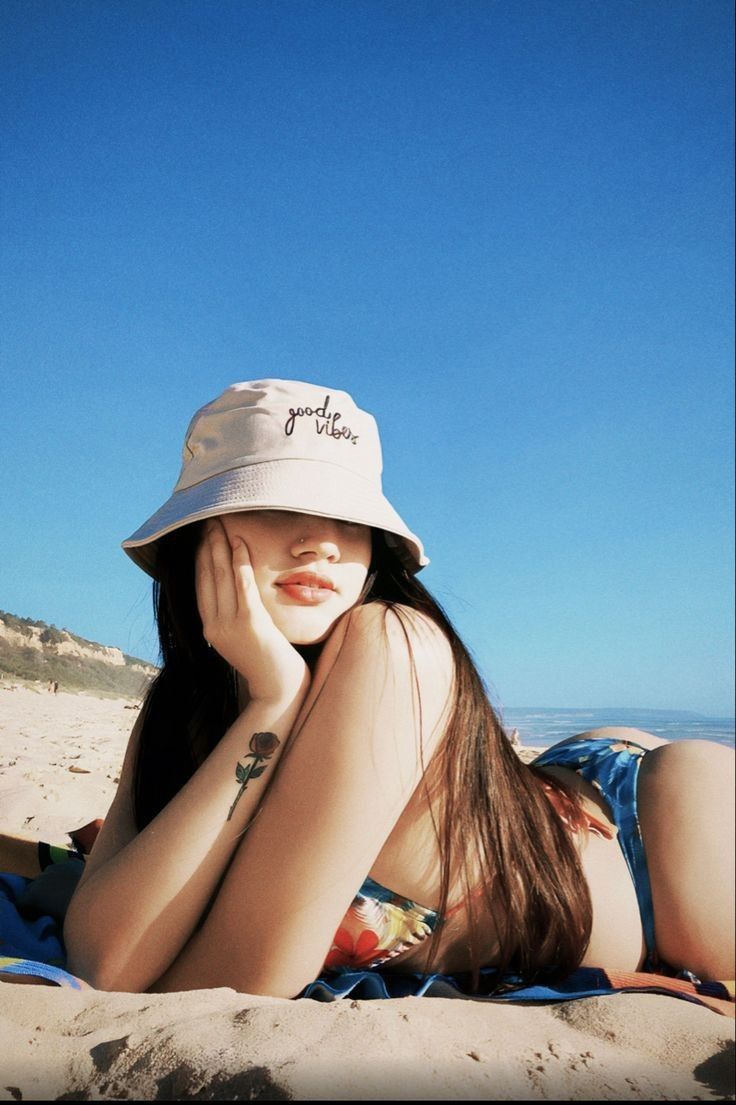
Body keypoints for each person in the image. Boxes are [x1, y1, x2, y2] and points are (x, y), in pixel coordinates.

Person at [63, 379, 735, 999]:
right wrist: (270, 704)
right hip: (558, 788)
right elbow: (106, 963)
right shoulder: (184, 704)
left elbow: (244, 982)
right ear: (199, 527)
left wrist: (273, 705)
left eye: (348, 518)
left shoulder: (394, 644)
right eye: (278, 504)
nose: (321, 542)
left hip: (665, 849)